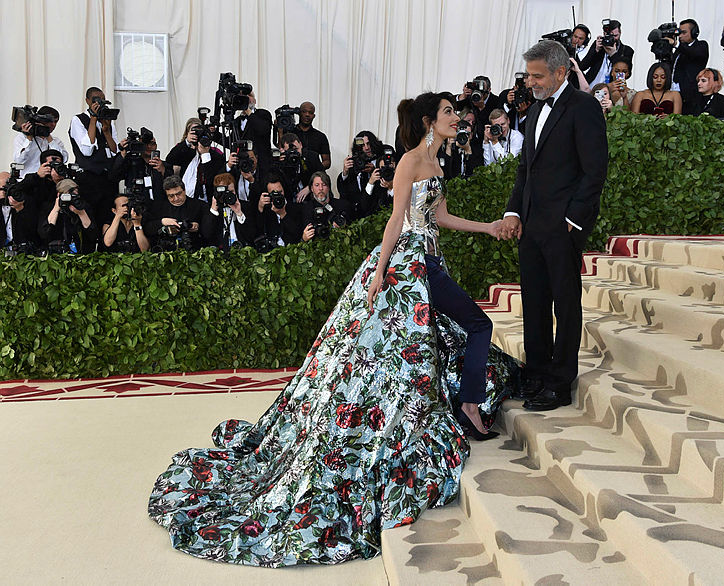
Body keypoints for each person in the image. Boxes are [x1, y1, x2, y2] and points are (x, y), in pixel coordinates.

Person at [147, 90, 520, 567]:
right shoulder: (409, 161)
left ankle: (465, 401)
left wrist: (488, 227)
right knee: (412, 351)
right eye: (449, 112)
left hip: (431, 264)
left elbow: (439, 217)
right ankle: (458, 407)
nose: (456, 118)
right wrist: (379, 273)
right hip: (406, 269)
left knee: (471, 328)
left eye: (455, 112)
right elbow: (394, 222)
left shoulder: (438, 162)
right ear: (430, 120)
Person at [498, 40, 608, 411]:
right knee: (534, 300)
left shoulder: (584, 107)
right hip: (530, 224)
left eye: (537, 75)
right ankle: (538, 372)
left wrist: (573, 221)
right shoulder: (533, 113)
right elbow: (525, 170)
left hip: (562, 226)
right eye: (529, 75)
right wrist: (514, 211)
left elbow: (594, 171)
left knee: (565, 302)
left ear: (561, 72)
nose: (531, 82)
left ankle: (560, 381)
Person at [68, 87, 119, 210]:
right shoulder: (78, 120)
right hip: (88, 177)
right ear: (87, 101)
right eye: (95, 100)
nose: (99, 103)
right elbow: (87, 151)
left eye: (102, 100)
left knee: (108, 213)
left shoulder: (108, 121)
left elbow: (114, 151)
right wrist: (93, 119)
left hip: (108, 177)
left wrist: (106, 131)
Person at [164, 118, 225, 203]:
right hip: (186, 199)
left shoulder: (215, 154)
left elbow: (212, 177)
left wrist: (205, 154)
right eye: (194, 132)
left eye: (200, 132)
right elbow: (170, 159)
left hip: (207, 200)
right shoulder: (183, 149)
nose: (197, 135)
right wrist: (187, 142)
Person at [13, 106, 69, 178]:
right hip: (29, 180)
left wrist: (48, 136)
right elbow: (19, 161)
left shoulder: (55, 140)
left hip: (49, 182)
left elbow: (64, 159)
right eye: (50, 121)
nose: (53, 125)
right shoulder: (22, 138)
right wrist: (29, 139)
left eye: (55, 121)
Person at [667, 19, 709, 115]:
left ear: (694, 33)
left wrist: (675, 44)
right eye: (679, 33)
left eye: (684, 33)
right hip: (673, 92)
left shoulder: (701, 45)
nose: (680, 36)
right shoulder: (679, 49)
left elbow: (692, 53)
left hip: (690, 96)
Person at [579, 19, 635, 88]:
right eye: (609, 35)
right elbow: (582, 66)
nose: (613, 39)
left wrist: (613, 55)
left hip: (612, 90)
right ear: (604, 33)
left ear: (620, 33)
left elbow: (627, 75)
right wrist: (595, 50)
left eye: (615, 35)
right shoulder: (599, 45)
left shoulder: (626, 50)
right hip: (592, 87)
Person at [300, 171, 352, 241]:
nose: (321, 188)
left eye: (324, 185)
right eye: (317, 185)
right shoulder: (306, 209)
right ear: (312, 188)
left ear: (329, 187)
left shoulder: (342, 205)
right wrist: (304, 238)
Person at [294, 102, 332, 169]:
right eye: (304, 111)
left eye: (310, 113)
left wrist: (316, 168)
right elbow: (281, 150)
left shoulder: (321, 136)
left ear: (314, 116)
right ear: (299, 113)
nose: (307, 115)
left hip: (314, 175)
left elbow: (327, 161)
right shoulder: (290, 133)